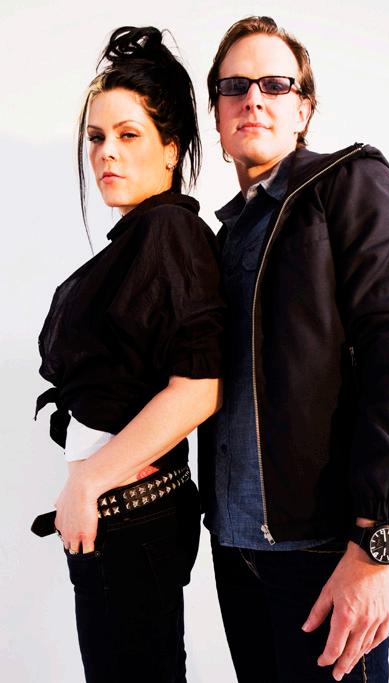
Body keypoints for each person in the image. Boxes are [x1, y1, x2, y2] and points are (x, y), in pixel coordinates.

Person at [199, 15, 389, 683]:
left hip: (326, 550)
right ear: (217, 115)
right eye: (235, 86)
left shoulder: (349, 183)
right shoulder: (224, 236)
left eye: (275, 84)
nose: (253, 99)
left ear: (303, 109)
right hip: (236, 549)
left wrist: (375, 543)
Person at [34, 26, 224, 683]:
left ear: (172, 148)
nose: (106, 152)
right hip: (122, 521)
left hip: (132, 517)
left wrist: (88, 480)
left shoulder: (170, 232)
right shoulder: (142, 237)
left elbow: (200, 387)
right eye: (96, 137)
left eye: (128, 134)